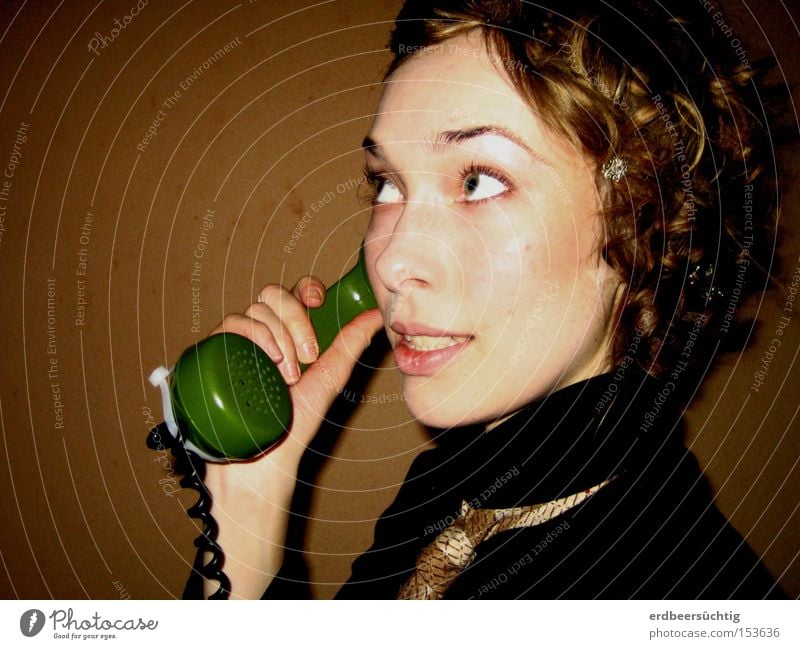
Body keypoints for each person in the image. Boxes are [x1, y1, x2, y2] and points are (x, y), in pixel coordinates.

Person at [183, 0, 785, 598]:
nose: (391, 262)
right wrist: (246, 504)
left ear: (639, 219)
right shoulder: (450, 487)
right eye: (387, 183)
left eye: (478, 180)